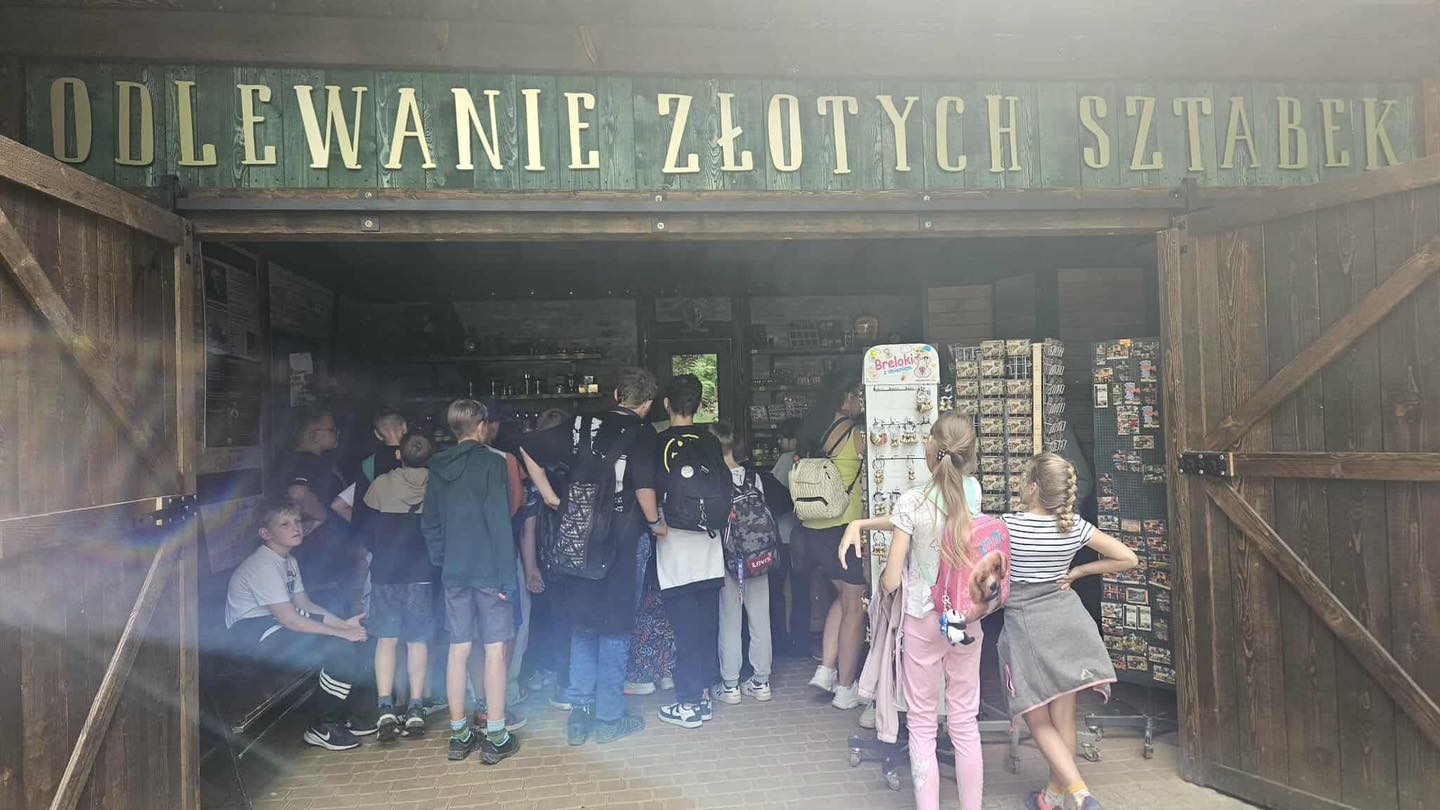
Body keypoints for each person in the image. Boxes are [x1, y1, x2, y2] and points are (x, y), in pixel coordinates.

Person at [866, 412, 1002, 810]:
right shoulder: (973, 492)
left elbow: (893, 579)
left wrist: (885, 585)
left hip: (924, 619)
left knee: (922, 723)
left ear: (932, 448)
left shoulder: (912, 501)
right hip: (964, 618)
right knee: (964, 721)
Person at [520, 368, 662, 746]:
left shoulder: (582, 423)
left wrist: (550, 496)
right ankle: (610, 718)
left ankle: (579, 715)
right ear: (647, 404)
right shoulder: (644, 432)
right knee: (615, 628)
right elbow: (644, 487)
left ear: (616, 395)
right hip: (622, 539)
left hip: (579, 537)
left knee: (582, 625)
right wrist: (656, 523)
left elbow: (528, 446)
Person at [999, 452, 1138, 810]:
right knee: (1064, 718)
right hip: (1068, 620)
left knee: (1035, 714)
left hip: (1027, 626)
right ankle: (1051, 797)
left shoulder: (1007, 526)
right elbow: (1128, 558)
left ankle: (1081, 795)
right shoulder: (1074, 526)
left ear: (1033, 488)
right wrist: (1078, 572)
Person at [225, 499, 373, 751]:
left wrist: (344, 626)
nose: (296, 527)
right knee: (338, 650)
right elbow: (290, 619)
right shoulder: (264, 565)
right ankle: (322, 726)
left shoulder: (288, 560)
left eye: (297, 521)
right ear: (265, 533)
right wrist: (340, 634)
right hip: (251, 639)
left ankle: (344, 715)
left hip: (274, 628)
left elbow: (306, 605)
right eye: (284, 524)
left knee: (358, 640)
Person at [421, 399, 521, 765]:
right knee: (494, 649)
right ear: (481, 426)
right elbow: (498, 520)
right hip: (490, 569)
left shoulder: (437, 465)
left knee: (458, 648)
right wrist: (508, 577)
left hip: (455, 571)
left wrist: (443, 559)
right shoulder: (492, 463)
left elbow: (429, 521)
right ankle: (496, 735)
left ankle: (459, 734)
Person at [651, 375, 725, 729]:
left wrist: (653, 522)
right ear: (698, 405)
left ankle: (689, 703)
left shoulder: (658, 442)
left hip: (674, 547)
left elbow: (648, 490)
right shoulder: (711, 441)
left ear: (666, 404)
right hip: (710, 547)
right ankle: (705, 696)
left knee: (685, 630)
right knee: (706, 626)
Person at [791, 368, 867, 710]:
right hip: (845, 529)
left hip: (814, 529)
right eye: (858, 396)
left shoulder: (813, 430)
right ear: (847, 398)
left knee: (843, 599)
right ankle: (846, 687)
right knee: (855, 608)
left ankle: (825, 669)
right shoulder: (856, 434)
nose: (861, 402)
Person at [361, 433, 439, 743]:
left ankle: (385, 708)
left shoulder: (381, 484)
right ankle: (417, 708)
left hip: (386, 572)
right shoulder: (437, 486)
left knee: (387, 640)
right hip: (422, 572)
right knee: (418, 640)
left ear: (398, 455)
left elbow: (366, 529)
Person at [466, 400, 529, 734]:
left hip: (460, 559)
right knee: (503, 632)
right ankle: (498, 706)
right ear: (487, 426)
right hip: (496, 555)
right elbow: (514, 506)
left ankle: (477, 704)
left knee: (470, 635)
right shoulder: (505, 460)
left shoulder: (443, 462)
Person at [274, 406, 363, 614]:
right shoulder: (306, 461)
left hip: (320, 552)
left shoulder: (298, 461)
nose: (336, 434)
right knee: (326, 610)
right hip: (320, 553)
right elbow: (297, 492)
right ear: (313, 434)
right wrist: (320, 516)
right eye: (331, 430)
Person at [711, 421, 775, 705]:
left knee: (730, 621)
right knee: (760, 619)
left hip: (728, 560)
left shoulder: (715, 480)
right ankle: (761, 682)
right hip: (758, 558)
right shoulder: (753, 477)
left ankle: (730, 685)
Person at [769, 417, 803, 656]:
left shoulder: (785, 460)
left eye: (781, 438)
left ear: (791, 439)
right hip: (802, 532)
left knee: (777, 591)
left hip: (782, 534)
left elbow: (774, 493)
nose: (780, 443)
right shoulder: (808, 458)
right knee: (801, 590)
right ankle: (801, 643)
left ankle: (781, 639)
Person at [349, 408, 409, 529]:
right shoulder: (418, 458)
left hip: (383, 532)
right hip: (412, 531)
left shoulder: (368, 465)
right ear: (405, 427)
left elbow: (359, 509)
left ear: (377, 434)